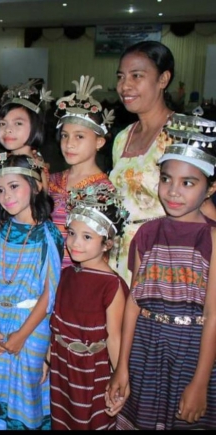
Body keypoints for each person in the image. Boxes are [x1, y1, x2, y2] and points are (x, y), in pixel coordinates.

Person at [106, 112, 216, 429]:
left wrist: (201, 382)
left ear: (209, 189)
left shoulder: (211, 238)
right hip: (146, 347)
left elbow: (213, 314)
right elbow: (134, 302)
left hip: (191, 351)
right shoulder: (147, 234)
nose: (173, 191)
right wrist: (122, 366)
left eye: (188, 183)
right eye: (166, 179)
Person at [107, 41, 216, 285]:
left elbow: (204, 202)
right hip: (119, 256)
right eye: (121, 77)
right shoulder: (123, 137)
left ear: (163, 79)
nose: (125, 86)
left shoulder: (181, 132)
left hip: (163, 258)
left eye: (137, 76)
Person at [0, 154, 63, 430]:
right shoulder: (4, 230)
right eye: (1, 190)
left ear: (36, 186)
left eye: (14, 186)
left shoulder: (47, 234)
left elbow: (49, 295)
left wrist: (22, 334)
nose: (6, 196)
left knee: (25, 396)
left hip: (31, 326)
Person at [48, 184, 129, 430]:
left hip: (92, 371)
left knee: (90, 420)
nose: (74, 243)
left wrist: (119, 380)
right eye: (71, 233)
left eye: (87, 237)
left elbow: (115, 337)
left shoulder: (112, 285)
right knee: (63, 418)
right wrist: (47, 356)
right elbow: (57, 319)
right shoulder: (67, 274)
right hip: (62, 366)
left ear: (107, 244)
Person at [49, 75, 116, 269]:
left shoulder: (103, 190)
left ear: (99, 142)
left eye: (80, 136)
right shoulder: (52, 179)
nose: (69, 144)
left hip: (77, 278)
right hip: (45, 277)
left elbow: (103, 249)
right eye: (65, 136)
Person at [0, 79, 53, 189]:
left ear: (35, 127)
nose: (8, 129)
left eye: (18, 123)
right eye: (2, 123)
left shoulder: (35, 170)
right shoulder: (2, 160)